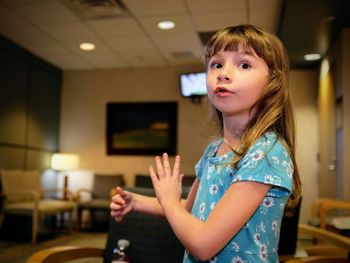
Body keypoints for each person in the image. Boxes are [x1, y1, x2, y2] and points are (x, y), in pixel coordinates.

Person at [110, 24, 302, 262]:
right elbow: (189, 210)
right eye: (217, 64)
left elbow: (202, 245)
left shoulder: (266, 152)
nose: (223, 73)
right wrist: (137, 201)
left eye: (244, 64)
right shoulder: (213, 150)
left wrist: (169, 202)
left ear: (273, 81)